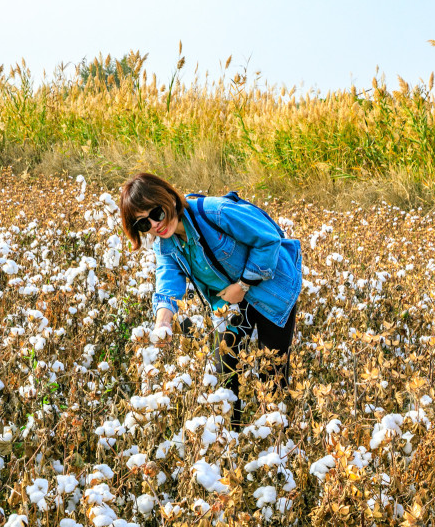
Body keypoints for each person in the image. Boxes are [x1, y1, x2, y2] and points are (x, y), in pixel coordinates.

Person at [119, 172, 302, 423]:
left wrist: (244, 284)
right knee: (224, 373)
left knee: (273, 372)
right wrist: (162, 323)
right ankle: (230, 438)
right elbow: (167, 284)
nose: (154, 225)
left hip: (272, 291)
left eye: (156, 213)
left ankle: (275, 438)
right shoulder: (165, 245)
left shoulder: (216, 212)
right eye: (143, 224)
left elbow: (268, 240)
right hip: (230, 303)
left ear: (169, 199)